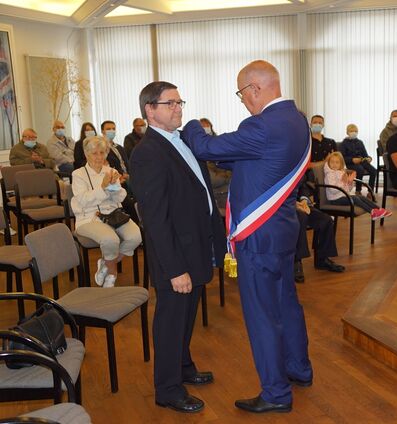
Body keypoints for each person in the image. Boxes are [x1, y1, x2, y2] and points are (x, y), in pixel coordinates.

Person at [182, 60, 313, 413]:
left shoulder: (261, 126)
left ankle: (275, 393)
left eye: (242, 93)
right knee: (287, 304)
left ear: (255, 88)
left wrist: (192, 125)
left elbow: (206, 147)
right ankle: (298, 369)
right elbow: (263, 161)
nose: (242, 101)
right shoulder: (297, 120)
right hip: (283, 230)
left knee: (261, 315)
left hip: (258, 236)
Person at [130, 81, 226, 414]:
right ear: (150, 110)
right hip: (176, 254)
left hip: (197, 245)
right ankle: (167, 388)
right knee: (171, 321)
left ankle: (184, 367)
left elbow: (200, 193)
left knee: (187, 317)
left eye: (179, 102)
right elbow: (155, 219)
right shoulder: (147, 153)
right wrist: (175, 268)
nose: (178, 108)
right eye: (169, 103)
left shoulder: (182, 139)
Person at [71, 136, 142, 288]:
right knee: (111, 240)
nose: (99, 157)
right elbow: (83, 200)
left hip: (113, 215)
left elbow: (120, 197)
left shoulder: (110, 171)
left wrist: (115, 186)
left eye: (102, 153)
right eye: (94, 153)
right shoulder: (78, 174)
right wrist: (103, 188)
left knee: (136, 237)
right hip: (88, 217)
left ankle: (106, 262)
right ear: (86, 154)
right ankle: (112, 273)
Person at [294, 176, 345, 283]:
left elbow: (303, 186)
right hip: (283, 207)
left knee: (325, 220)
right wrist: (293, 204)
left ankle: (322, 259)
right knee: (301, 219)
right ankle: (296, 262)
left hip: (301, 205)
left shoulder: (295, 167)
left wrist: (304, 199)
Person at [324, 151, 391, 220]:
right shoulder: (329, 174)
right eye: (332, 162)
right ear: (328, 163)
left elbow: (348, 189)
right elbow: (332, 190)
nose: (334, 164)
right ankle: (372, 212)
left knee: (361, 197)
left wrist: (350, 182)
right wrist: (344, 182)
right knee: (355, 199)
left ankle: (379, 209)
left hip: (343, 196)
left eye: (337, 162)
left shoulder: (341, 172)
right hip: (335, 199)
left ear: (341, 164)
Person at [199, 118, 231, 208]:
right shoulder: (198, 150)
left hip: (228, 194)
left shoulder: (219, 145)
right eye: (203, 127)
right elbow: (212, 180)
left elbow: (230, 168)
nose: (206, 129)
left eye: (207, 126)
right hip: (215, 197)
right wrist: (224, 176)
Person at [339, 124, 378, 193]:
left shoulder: (360, 142)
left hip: (362, 162)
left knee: (373, 170)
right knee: (360, 169)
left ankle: (370, 191)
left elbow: (365, 155)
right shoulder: (344, 143)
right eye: (351, 131)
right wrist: (352, 160)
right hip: (350, 163)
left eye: (355, 131)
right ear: (347, 132)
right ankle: (358, 190)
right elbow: (342, 158)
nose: (354, 132)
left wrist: (369, 158)